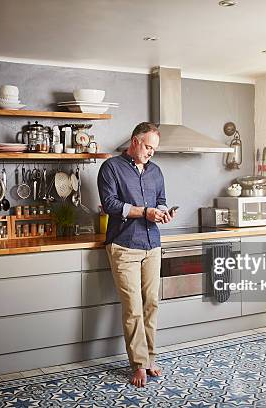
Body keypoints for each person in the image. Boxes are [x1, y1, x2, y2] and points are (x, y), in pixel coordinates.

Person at [97, 122, 176, 387]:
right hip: (124, 246)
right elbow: (110, 205)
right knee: (133, 308)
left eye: (154, 148)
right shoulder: (111, 168)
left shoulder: (156, 171)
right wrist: (145, 212)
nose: (151, 153)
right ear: (134, 141)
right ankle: (139, 364)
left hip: (152, 244)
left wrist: (163, 212)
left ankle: (150, 358)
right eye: (148, 147)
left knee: (151, 304)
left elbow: (161, 199)